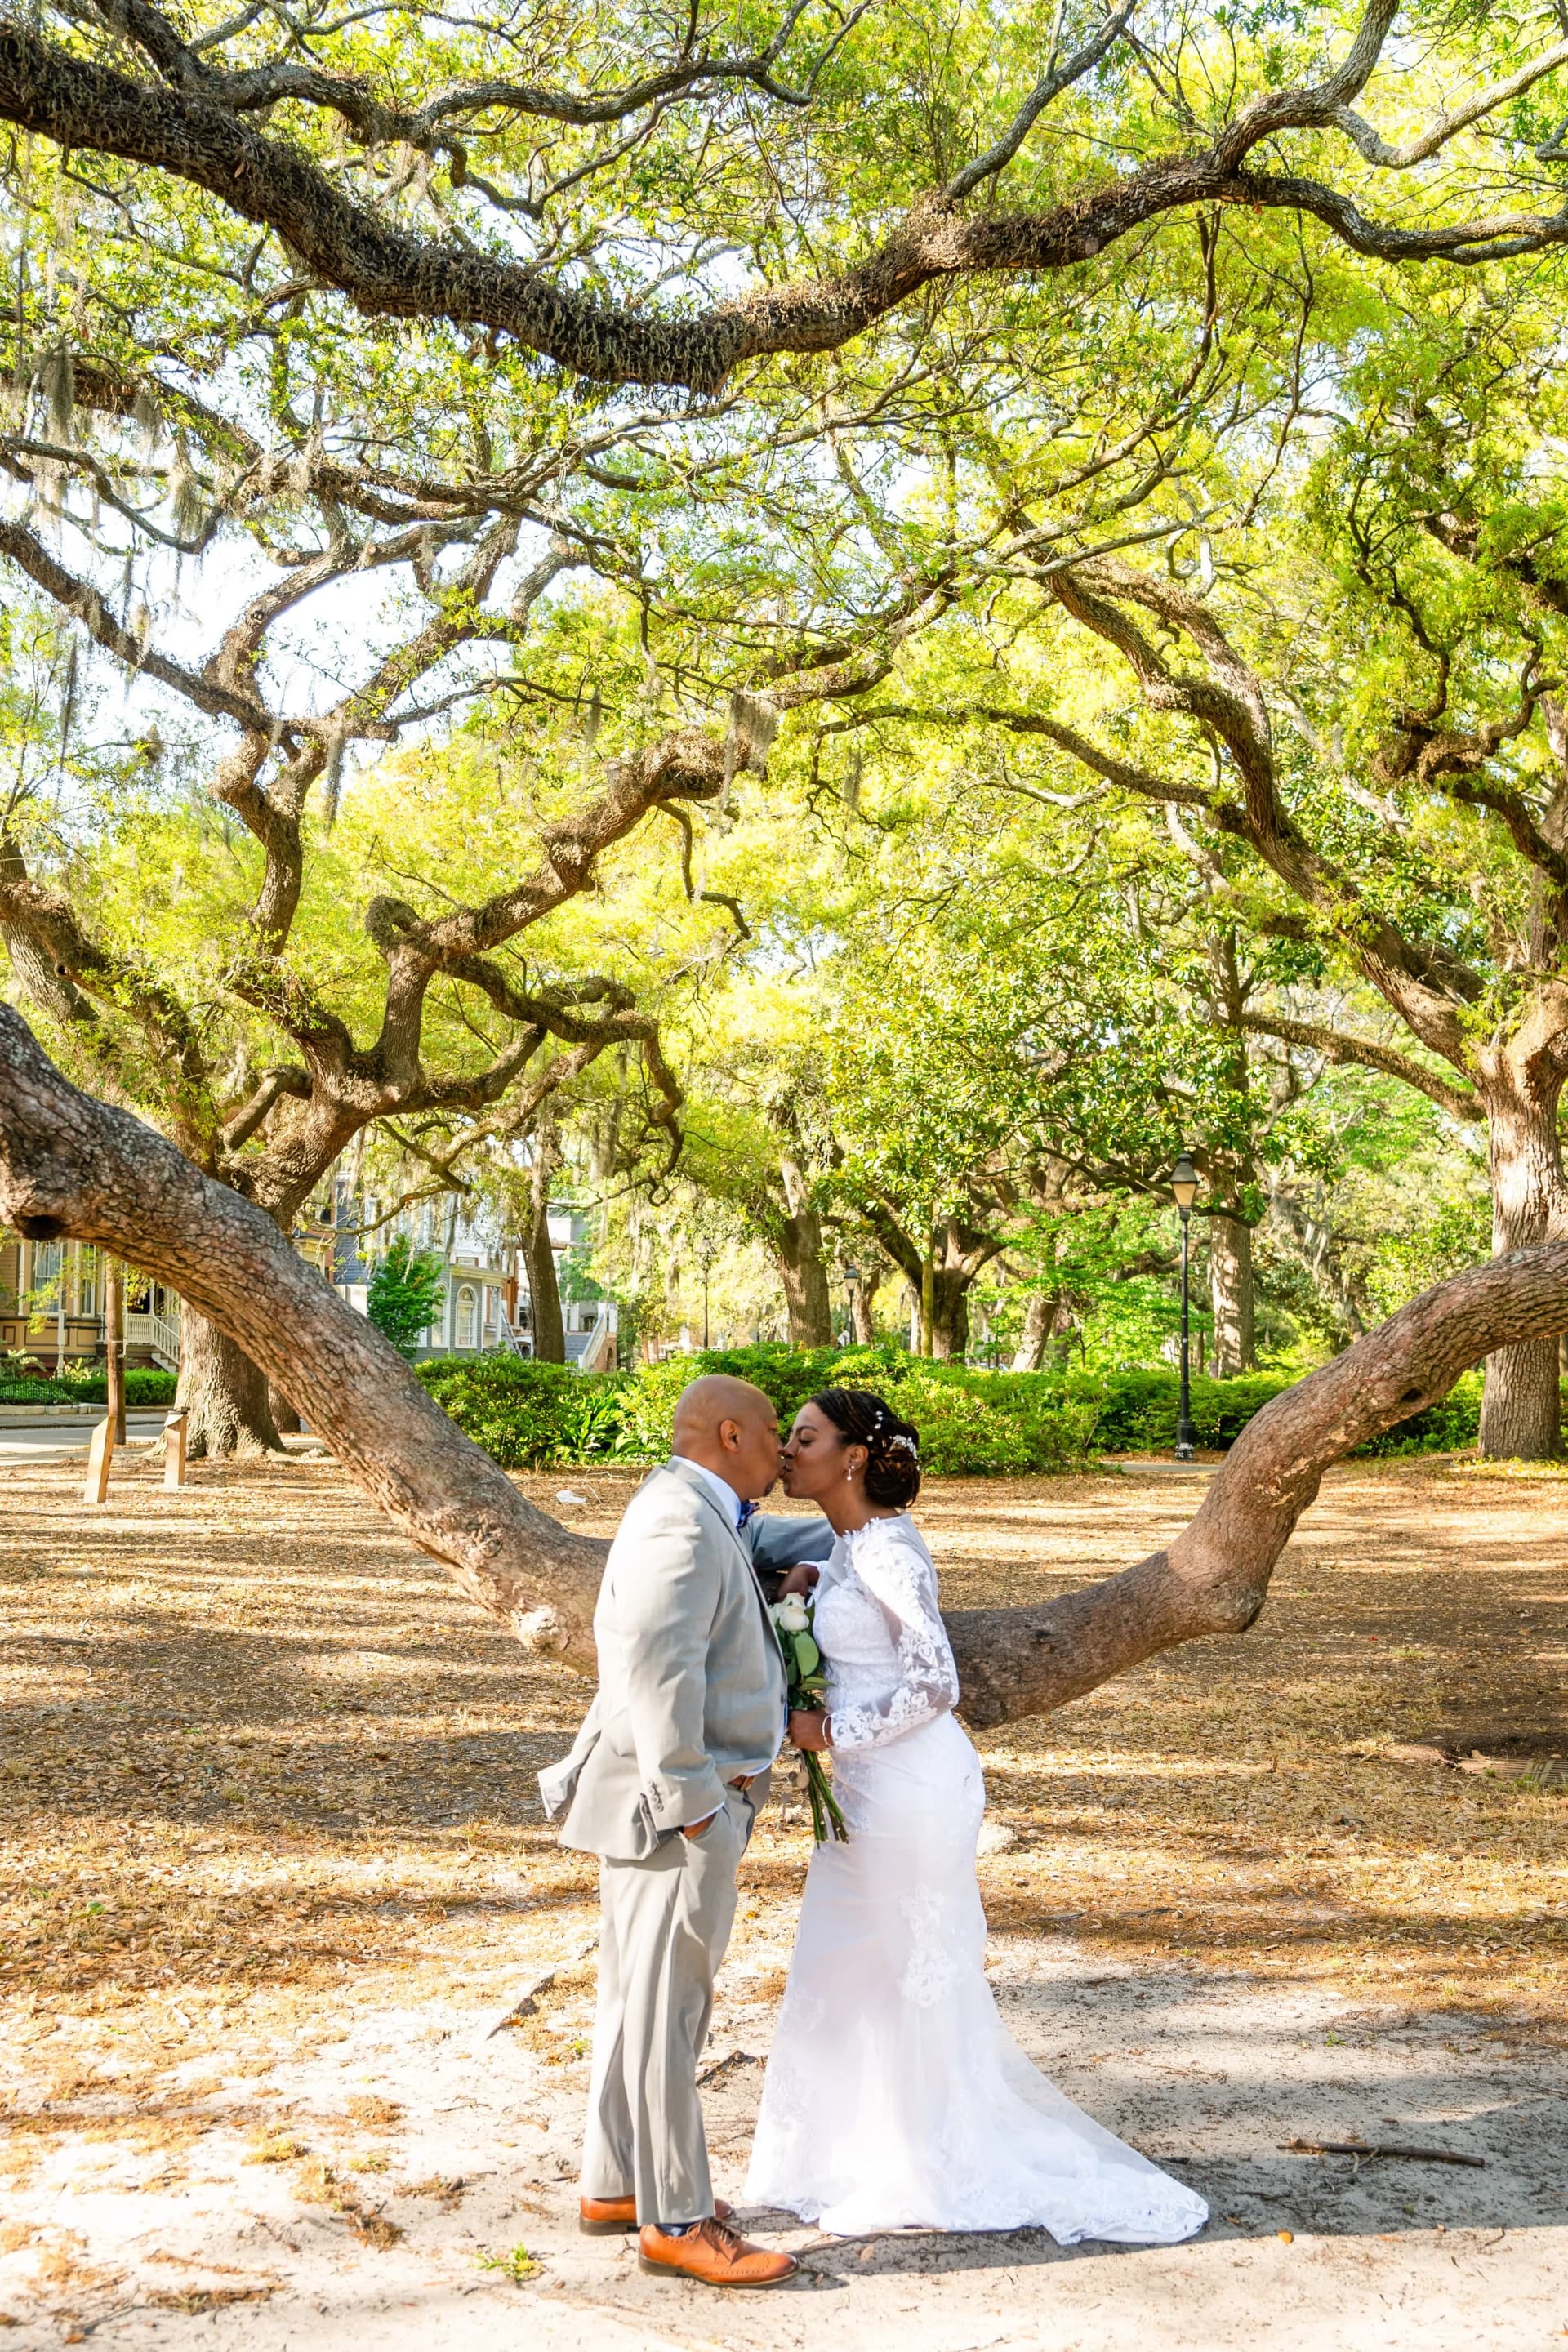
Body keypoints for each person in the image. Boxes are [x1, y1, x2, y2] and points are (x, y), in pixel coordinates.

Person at [743, 1386, 1209, 2247]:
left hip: (911, 1788)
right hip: (865, 1793)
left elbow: (936, 1684)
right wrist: (806, 1588)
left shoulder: (889, 1552)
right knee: (844, 1968)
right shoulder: (850, 1545)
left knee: (908, 1974)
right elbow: (857, 1628)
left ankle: (924, 2165)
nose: (786, 1452)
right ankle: (837, 2155)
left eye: (803, 1439)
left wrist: (829, 1730)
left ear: (852, 1457)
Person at [538, 1374, 832, 2292]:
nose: (783, 1449)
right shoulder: (678, 1523)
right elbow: (661, 1675)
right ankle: (675, 2219)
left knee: (637, 2001)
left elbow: (775, 1547)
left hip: (665, 1806)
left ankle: (615, 2185)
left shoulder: (702, 1510)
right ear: (731, 1435)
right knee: (670, 2015)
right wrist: (698, 1805)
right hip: (673, 1812)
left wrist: (865, 1507)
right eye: (775, 1433)